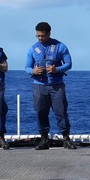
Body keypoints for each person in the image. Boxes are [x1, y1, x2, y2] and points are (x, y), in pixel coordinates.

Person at [25, 21, 75, 150]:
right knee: (41, 112)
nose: (41, 38)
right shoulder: (32, 49)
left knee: (61, 112)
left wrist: (56, 69)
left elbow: (68, 64)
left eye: (43, 36)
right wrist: (33, 71)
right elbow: (27, 67)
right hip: (39, 85)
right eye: (38, 36)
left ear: (49, 34)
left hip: (56, 85)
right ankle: (44, 139)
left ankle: (66, 139)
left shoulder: (60, 46)